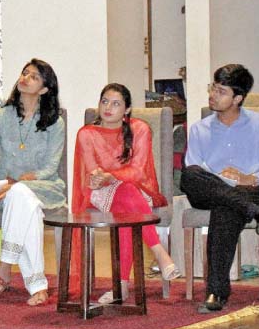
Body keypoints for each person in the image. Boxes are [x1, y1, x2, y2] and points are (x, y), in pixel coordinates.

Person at [181, 64, 259, 313]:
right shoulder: (200, 129)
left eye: (221, 91)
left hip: (250, 189)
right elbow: (194, 171)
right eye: (213, 88)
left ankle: (216, 292)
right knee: (191, 174)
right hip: (210, 190)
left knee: (225, 208)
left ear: (238, 98)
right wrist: (219, 178)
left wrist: (250, 178)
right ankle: (258, 212)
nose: (212, 95)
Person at [72, 83, 180, 303]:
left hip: (136, 189)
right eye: (104, 101)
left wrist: (113, 176)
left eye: (116, 103)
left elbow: (138, 171)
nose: (108, 108)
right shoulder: (86, 133)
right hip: (99, 192)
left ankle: (120, 286)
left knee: (126, 197)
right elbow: (93, 173)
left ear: (127, 109)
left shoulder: (140, 129)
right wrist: (102, 177)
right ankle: (159, 253)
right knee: (125, 194)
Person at [0, 59, 66, 306]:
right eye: (24, 73)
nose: (25, 78)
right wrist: (11, 180)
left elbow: (50, 167)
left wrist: (23, 181)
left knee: (22, 195)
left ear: (45, 89)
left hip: (44, 188)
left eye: (34, 77)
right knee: (26, 204)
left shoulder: (54, 123)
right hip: (3, 189)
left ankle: (4, 268)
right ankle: (36, 284)